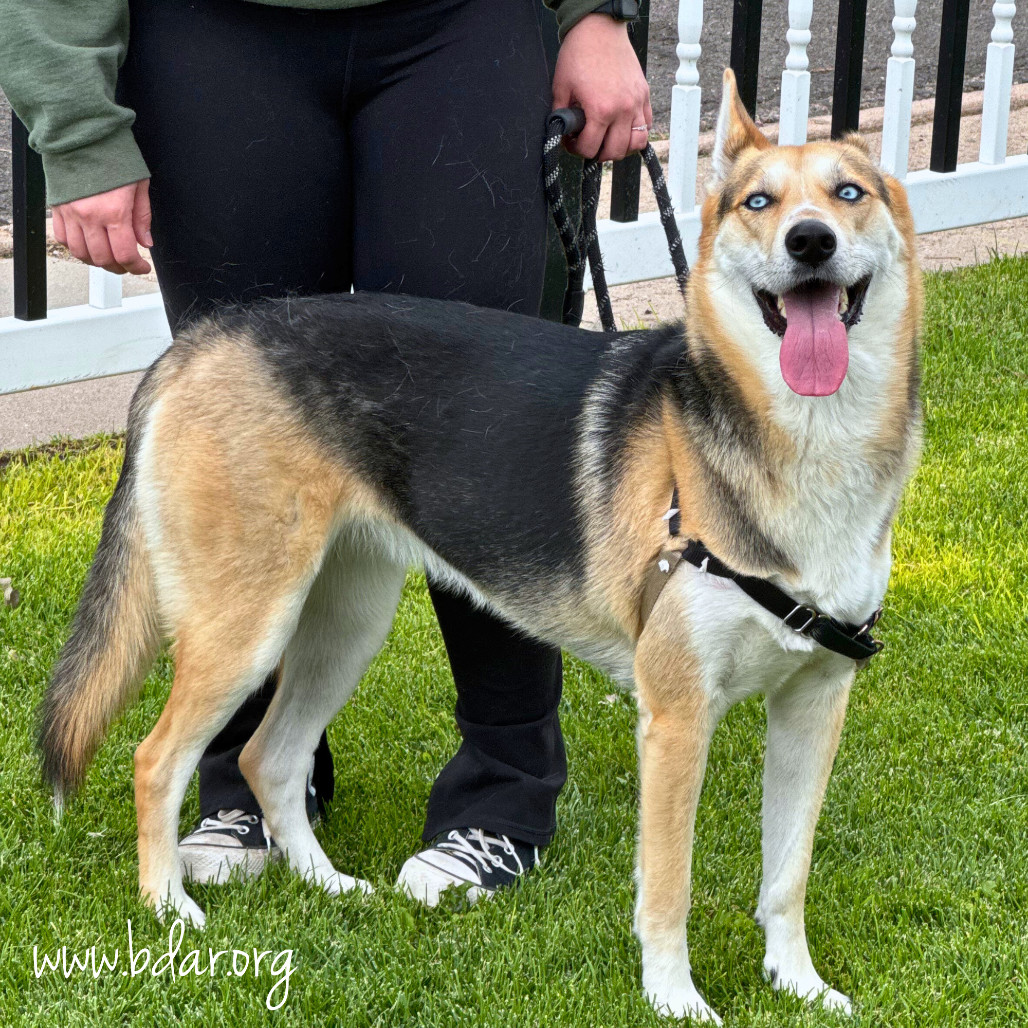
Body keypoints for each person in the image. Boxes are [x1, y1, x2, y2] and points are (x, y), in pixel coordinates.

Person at [0, 0, 650, 904]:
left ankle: (504, 789)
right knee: (251, 449)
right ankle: (249, 783)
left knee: (489, 424)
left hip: (464, 25)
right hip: (213, 38)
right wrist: (76, 125)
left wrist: (595, 13)